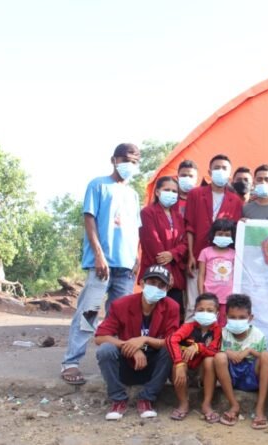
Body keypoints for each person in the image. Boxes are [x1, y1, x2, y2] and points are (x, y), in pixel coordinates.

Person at [61, 143, 142, 386]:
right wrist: (98, 254)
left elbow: (135, 229)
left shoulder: (133, 194)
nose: (131, 165)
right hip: (102, 265)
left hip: (126, 266)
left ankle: (118, 365)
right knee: (89, 312)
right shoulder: (98, 185)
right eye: (127, 159)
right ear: (114, 160)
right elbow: (90, 219)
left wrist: (137, 257)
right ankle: (71, 362)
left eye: (136, 162)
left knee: (122, 318)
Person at [94, 266, 179, 420]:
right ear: (142, 282)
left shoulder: (172, 307)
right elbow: (100, 337)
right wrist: (130, 346)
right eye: (152, 282)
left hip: (152, 366)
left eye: (161, 285)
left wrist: (144, 340)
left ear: (167, 288)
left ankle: (147, 398)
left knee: (169, 349)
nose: (156, 288)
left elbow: (172, 340)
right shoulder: (121, 305)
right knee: (105, 350)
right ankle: (118, 399)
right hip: (127, 362)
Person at [185, 154, 243, 320]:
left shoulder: (235, 200)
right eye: (216, 167)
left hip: (222, 262)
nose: (220, 171)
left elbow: (237, 231)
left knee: (221, 308)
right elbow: (189, 227)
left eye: (224, 168)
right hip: (198, 257)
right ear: (209, 171)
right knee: (193, 304)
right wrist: (190, 255)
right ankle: (189, 343)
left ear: (230, 174)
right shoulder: (195, 194)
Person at [212, 294, 268, 429]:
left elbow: (263, 357)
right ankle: (234, 405)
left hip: (251, 375)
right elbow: (212, 350)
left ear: (250, 318)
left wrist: (250, 351)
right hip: (231, 375)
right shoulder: (222, 333)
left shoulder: (258, 335)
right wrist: (227, 352)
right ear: (225, 316)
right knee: (219, 356)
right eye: (232, 317)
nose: (237, 321)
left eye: (242, 317)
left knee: (267, 356)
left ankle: (260, 409)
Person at [166, 293, 222, 422]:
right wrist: (179, 362)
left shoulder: (218, 330)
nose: (205, 313)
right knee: (177, 364)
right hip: (184, 368)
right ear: (194, 311)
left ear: (217, 313)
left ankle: (206, 404)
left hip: (203, 372)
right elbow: (171, 340)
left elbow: (215, 350)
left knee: (210, 360)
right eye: (201, 310)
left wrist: (198, 347)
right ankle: (183, 403)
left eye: (210, 310)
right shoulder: (188, 327)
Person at [139, 176, 188, 321]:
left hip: (176, 274)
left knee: (174, 314)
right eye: (167, 190)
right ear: (157, 192)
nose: (171, 193)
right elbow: (153, 243)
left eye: (174, 191)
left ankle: (170, 344)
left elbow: (184, 242)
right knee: (152, 314)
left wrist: (173, 253)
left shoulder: (178, 216)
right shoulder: (147, 212)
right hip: (156, 273)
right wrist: (166, 273)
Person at [197, 218, 237, 326]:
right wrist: (201, 294)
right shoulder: (205, 252)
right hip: (209, 296)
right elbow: (201, 275)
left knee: (223, 324)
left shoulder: (235, 254)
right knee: (209, 323)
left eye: (227, 235)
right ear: (213, 234)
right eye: (220, 234)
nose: (223, 237)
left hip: (227, 297)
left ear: (232, 236)